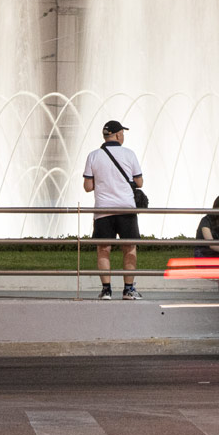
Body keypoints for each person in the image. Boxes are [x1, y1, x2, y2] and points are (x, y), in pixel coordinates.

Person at [82, 120, 145, 301]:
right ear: (118, 135)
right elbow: (139, 182)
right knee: (130, 248)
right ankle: (128, 290)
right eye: (122, 133)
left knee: (103, 249)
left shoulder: (93, 155)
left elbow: (87, 186)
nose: (123, 136)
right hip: (126, 208)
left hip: (103, 209)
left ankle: (106, 290)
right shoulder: (129, 154)